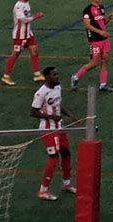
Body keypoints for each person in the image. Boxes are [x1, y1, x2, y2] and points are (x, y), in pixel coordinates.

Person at [31, 66, 76, 200]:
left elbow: (58, 104)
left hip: (59, 127)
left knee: (66, 153)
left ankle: (66, 184)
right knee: (54, 158)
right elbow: (33, 112)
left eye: (57, 74)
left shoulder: (58, 88)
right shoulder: (41, 93)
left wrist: (70, 115)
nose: (57, 76)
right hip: (48, 129)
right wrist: (50, 117)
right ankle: (43, 191)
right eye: (54, 75)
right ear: (47, 77)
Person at [71, 0, 113, 92]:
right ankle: (75, 77)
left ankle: (103, 84)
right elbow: (87, 25)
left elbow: (102, 22)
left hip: (105, 39)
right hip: (95, 40)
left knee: (105, 60)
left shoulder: (102, 8)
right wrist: (100, 32)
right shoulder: (87, 10)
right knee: (94, 63)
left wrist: (108, 19)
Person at [3, 0, 44, 86]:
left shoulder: (26, 3)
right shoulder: (18, 6)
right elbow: (22, 19)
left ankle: (37, 74)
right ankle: (6, 76)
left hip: (28, 34)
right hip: (19, 36)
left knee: (34, 51)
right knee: (15, 54)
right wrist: (35, 17)